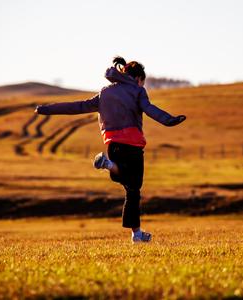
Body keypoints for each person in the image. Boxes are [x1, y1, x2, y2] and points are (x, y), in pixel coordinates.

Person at [35, 56, 186, 243]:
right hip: (133, 145)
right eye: (142, 81)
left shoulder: (104, 92)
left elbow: (77, 106)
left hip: (113, 144)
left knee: (127, 183)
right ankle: (135, 233)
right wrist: (169, 120)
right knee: (134, 188)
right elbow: (149, 108)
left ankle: (135, 229)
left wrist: (46, 109)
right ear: (138, 78)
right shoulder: (138, 91)